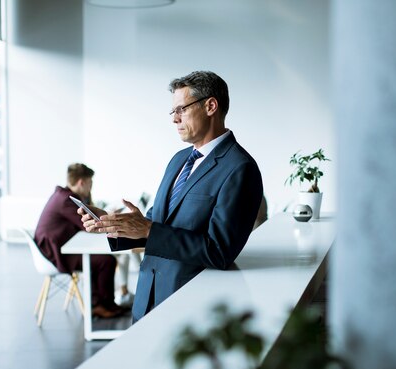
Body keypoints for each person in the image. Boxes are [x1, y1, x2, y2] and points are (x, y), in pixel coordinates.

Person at [79, 70, 264, 322]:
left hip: (189, 307)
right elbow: (157, 222)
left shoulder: (240, 168)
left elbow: (219, 251)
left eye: (181, 110)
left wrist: (147, 229)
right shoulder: (178, 160)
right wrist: (115, 224)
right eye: (172, 112)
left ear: (211, 106)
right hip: (146, 299)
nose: (174, 119)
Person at [34, 163, 127, 318]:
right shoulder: (66, 200)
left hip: (55, 247)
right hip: (54, 253)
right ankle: (100, 305)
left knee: (98, 259)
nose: (91, 188)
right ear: (81, 182)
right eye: (90, 183)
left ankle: (101, 302)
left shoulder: (63, 195)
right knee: (106, 261)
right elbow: (87, 225)